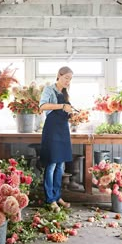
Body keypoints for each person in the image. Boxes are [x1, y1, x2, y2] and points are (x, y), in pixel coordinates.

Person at [39, 66, 73, 212]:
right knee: (51, 164)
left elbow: (65, 110)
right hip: (52, 130)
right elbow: (42, 106)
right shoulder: (49, 90)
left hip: (63, 130)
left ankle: (57, 196)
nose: (68, 81)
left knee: (60, 165)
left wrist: (72, 113)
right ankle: (50, 199)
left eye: (70, 79)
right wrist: (62, 106)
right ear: (59, 75)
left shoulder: (65, 93)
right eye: (66, 78)